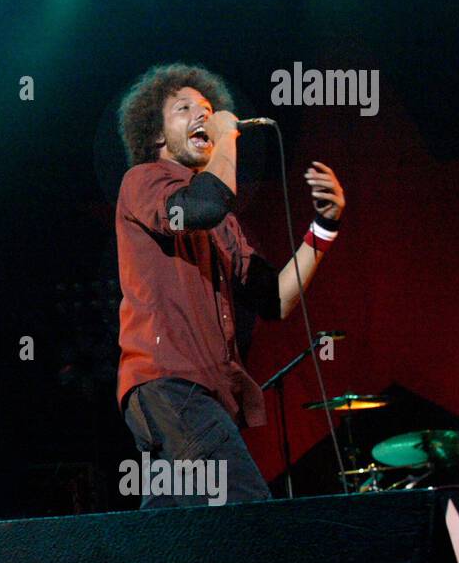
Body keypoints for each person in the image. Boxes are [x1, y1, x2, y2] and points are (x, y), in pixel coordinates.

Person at [113, 63, 346, 508]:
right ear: (156, 135)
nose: (203, 115)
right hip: (170, 383)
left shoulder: (225, 224)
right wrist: (227, 136)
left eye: (208, 108)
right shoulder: (143, 181)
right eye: (184, 109)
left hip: (205, 394)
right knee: (247, 514)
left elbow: (275, 300)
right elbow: (202, 205)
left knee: (172, 540)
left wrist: (325, 228)